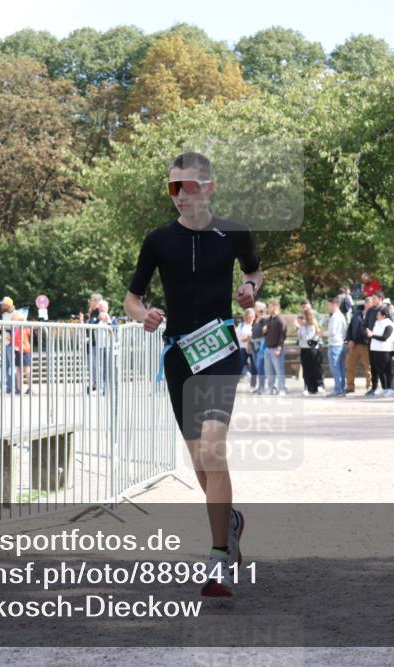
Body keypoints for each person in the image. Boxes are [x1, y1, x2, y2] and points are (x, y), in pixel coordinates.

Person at [123, 151, 262, 598]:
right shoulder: (158, 240)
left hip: (220, 351)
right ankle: (232, 519)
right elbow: (131, 298)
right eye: (173, 187)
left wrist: (249, 290)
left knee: (214, 450)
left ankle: (219, 558)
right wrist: (143, 314)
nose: (180, 196)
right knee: (200, 462)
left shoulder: (234, 232)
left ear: (209, 186)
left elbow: (254, 272)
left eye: (189, 186)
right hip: (179, 356)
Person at [366, 306, 394, 397]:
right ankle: (384, 388)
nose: (377, 315)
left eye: (379, 314)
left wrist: (372, 335)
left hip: (385, 350)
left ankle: (390, 388)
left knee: (387, 370)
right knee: (380, 370)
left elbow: (384, 338)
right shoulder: (377, 323)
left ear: (384, 316)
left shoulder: (389, 325)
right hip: (375, 350)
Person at [345, 296, 373, 394]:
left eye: (371, 303)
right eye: (368, 303)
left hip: (367, 344)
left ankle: (369, 387)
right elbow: (350, 327)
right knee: (350, 366)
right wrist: (349, 340)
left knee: (368, 367)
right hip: (355, 344)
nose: (369, 304)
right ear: (365, 304)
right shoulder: (357, 314)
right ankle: (350, 386)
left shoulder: (374, 315)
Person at [296, 300, 323, 396]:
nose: (302, 318)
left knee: (314, 368)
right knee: (306, 369)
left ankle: (316, 387)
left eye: (303, 317)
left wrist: (301, 327)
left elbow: (307, 337)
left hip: (312, 349)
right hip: (304, 349)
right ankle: (307, 387)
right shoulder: (302, 326)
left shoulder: (311, 325)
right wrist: (300, 327)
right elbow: (299, 336)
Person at [322, 296, 347, 397]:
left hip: (335, 345)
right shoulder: (341, 315)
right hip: (340, 343)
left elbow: (332, 332)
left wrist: (322, 333)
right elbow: (344, 331)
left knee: (336, 368)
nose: (328, 307)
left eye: (329, 304)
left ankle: (338, 390)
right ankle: (340, 389)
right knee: (340, 368)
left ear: (334, 304)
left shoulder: (335, 316)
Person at [262, 299, 287, 396]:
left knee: (279, 370)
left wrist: (279, 347)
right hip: (267, 348)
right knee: (269, 371)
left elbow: (283, 335)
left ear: (276, 307)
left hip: (277, 348)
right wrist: (264, 331)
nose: (268, 308)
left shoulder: (281, 319)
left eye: (270, 306)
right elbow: (265, 334)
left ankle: (282, 389)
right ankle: (271, 388)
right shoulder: (268, 319)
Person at [236, 308, 255, 384]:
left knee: (254, 367)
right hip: (243, 348)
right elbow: (242, 338)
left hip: (253, 347)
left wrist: (249, 337)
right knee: (240, 365)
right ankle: (241, 378)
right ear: (246, 316)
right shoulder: (241, 325)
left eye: (252, 316)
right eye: (250, 316)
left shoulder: (255, 324)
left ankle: (253, 384)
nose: (251, 318)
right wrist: (250, 336)